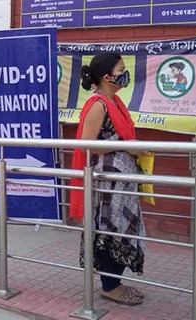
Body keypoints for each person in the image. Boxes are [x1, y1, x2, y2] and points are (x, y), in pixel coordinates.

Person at [70, 52, 146, 306]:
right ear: (106, 76)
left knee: (123, 230)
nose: (125, 74)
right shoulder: (99, 104)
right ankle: (109, 286)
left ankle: (113, 281)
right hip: (107, 182)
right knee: (110, 231)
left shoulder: (114, 102)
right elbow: (87, 144)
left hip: (121, 181)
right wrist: (126, 146)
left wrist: (129, 147)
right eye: (121, 69)